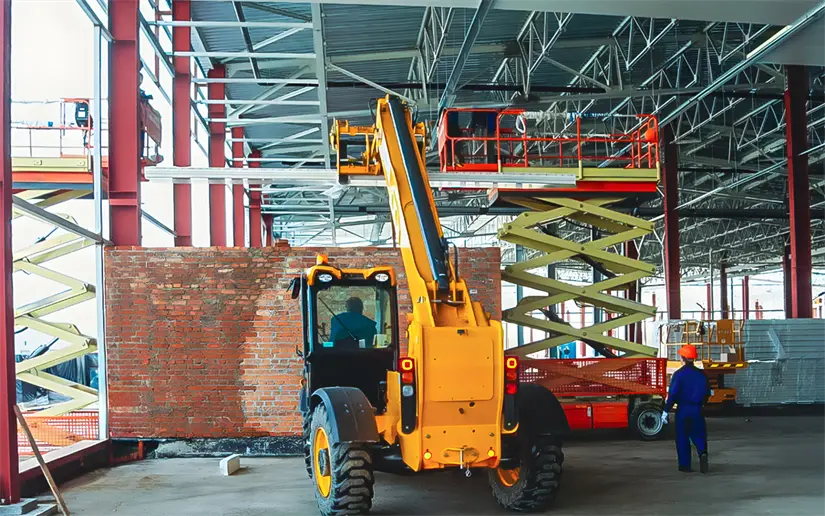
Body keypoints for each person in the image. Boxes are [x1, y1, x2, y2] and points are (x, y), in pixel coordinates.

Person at [663, 343, 711, 473]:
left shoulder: (678, 375)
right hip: (697, 409)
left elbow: (673, 394)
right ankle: (702, 453)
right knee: (699, 434)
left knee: (682, 437)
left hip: (683, 410)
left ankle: (685, 465)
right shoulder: (702, 375)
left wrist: (666, 410)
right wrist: (702, 403)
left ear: (683, 358)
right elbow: (708, 393)